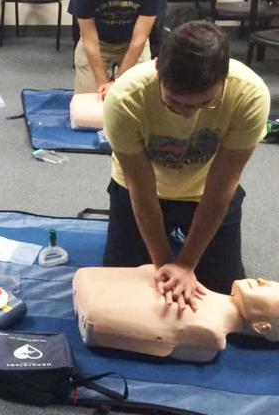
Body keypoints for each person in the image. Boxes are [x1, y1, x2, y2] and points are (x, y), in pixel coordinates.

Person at [103, 21, 270, 307]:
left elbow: (222, 186)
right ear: (158, 69)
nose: (186, 115)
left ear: (223, 77)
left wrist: (187, 264)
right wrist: (166, 264)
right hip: (142, 192)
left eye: (202, 104)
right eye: (173, 103)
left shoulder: (249, 95)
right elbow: (140, 189)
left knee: (223, 296)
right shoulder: (124, 99)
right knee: (121, 297)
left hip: (206, 192)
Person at [73, 265, 279, 361]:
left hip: (98, 310)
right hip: (94, 290)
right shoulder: (199, 287)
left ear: (262, 327)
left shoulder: (210, 331)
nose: (263, 280)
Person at [69, 0, 167, 99]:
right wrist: (102, 84)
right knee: (88, 100)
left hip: (132, 42)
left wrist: (117, 81)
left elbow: (139, 39)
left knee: (137, 99)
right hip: (98, 43)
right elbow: (89, 40)